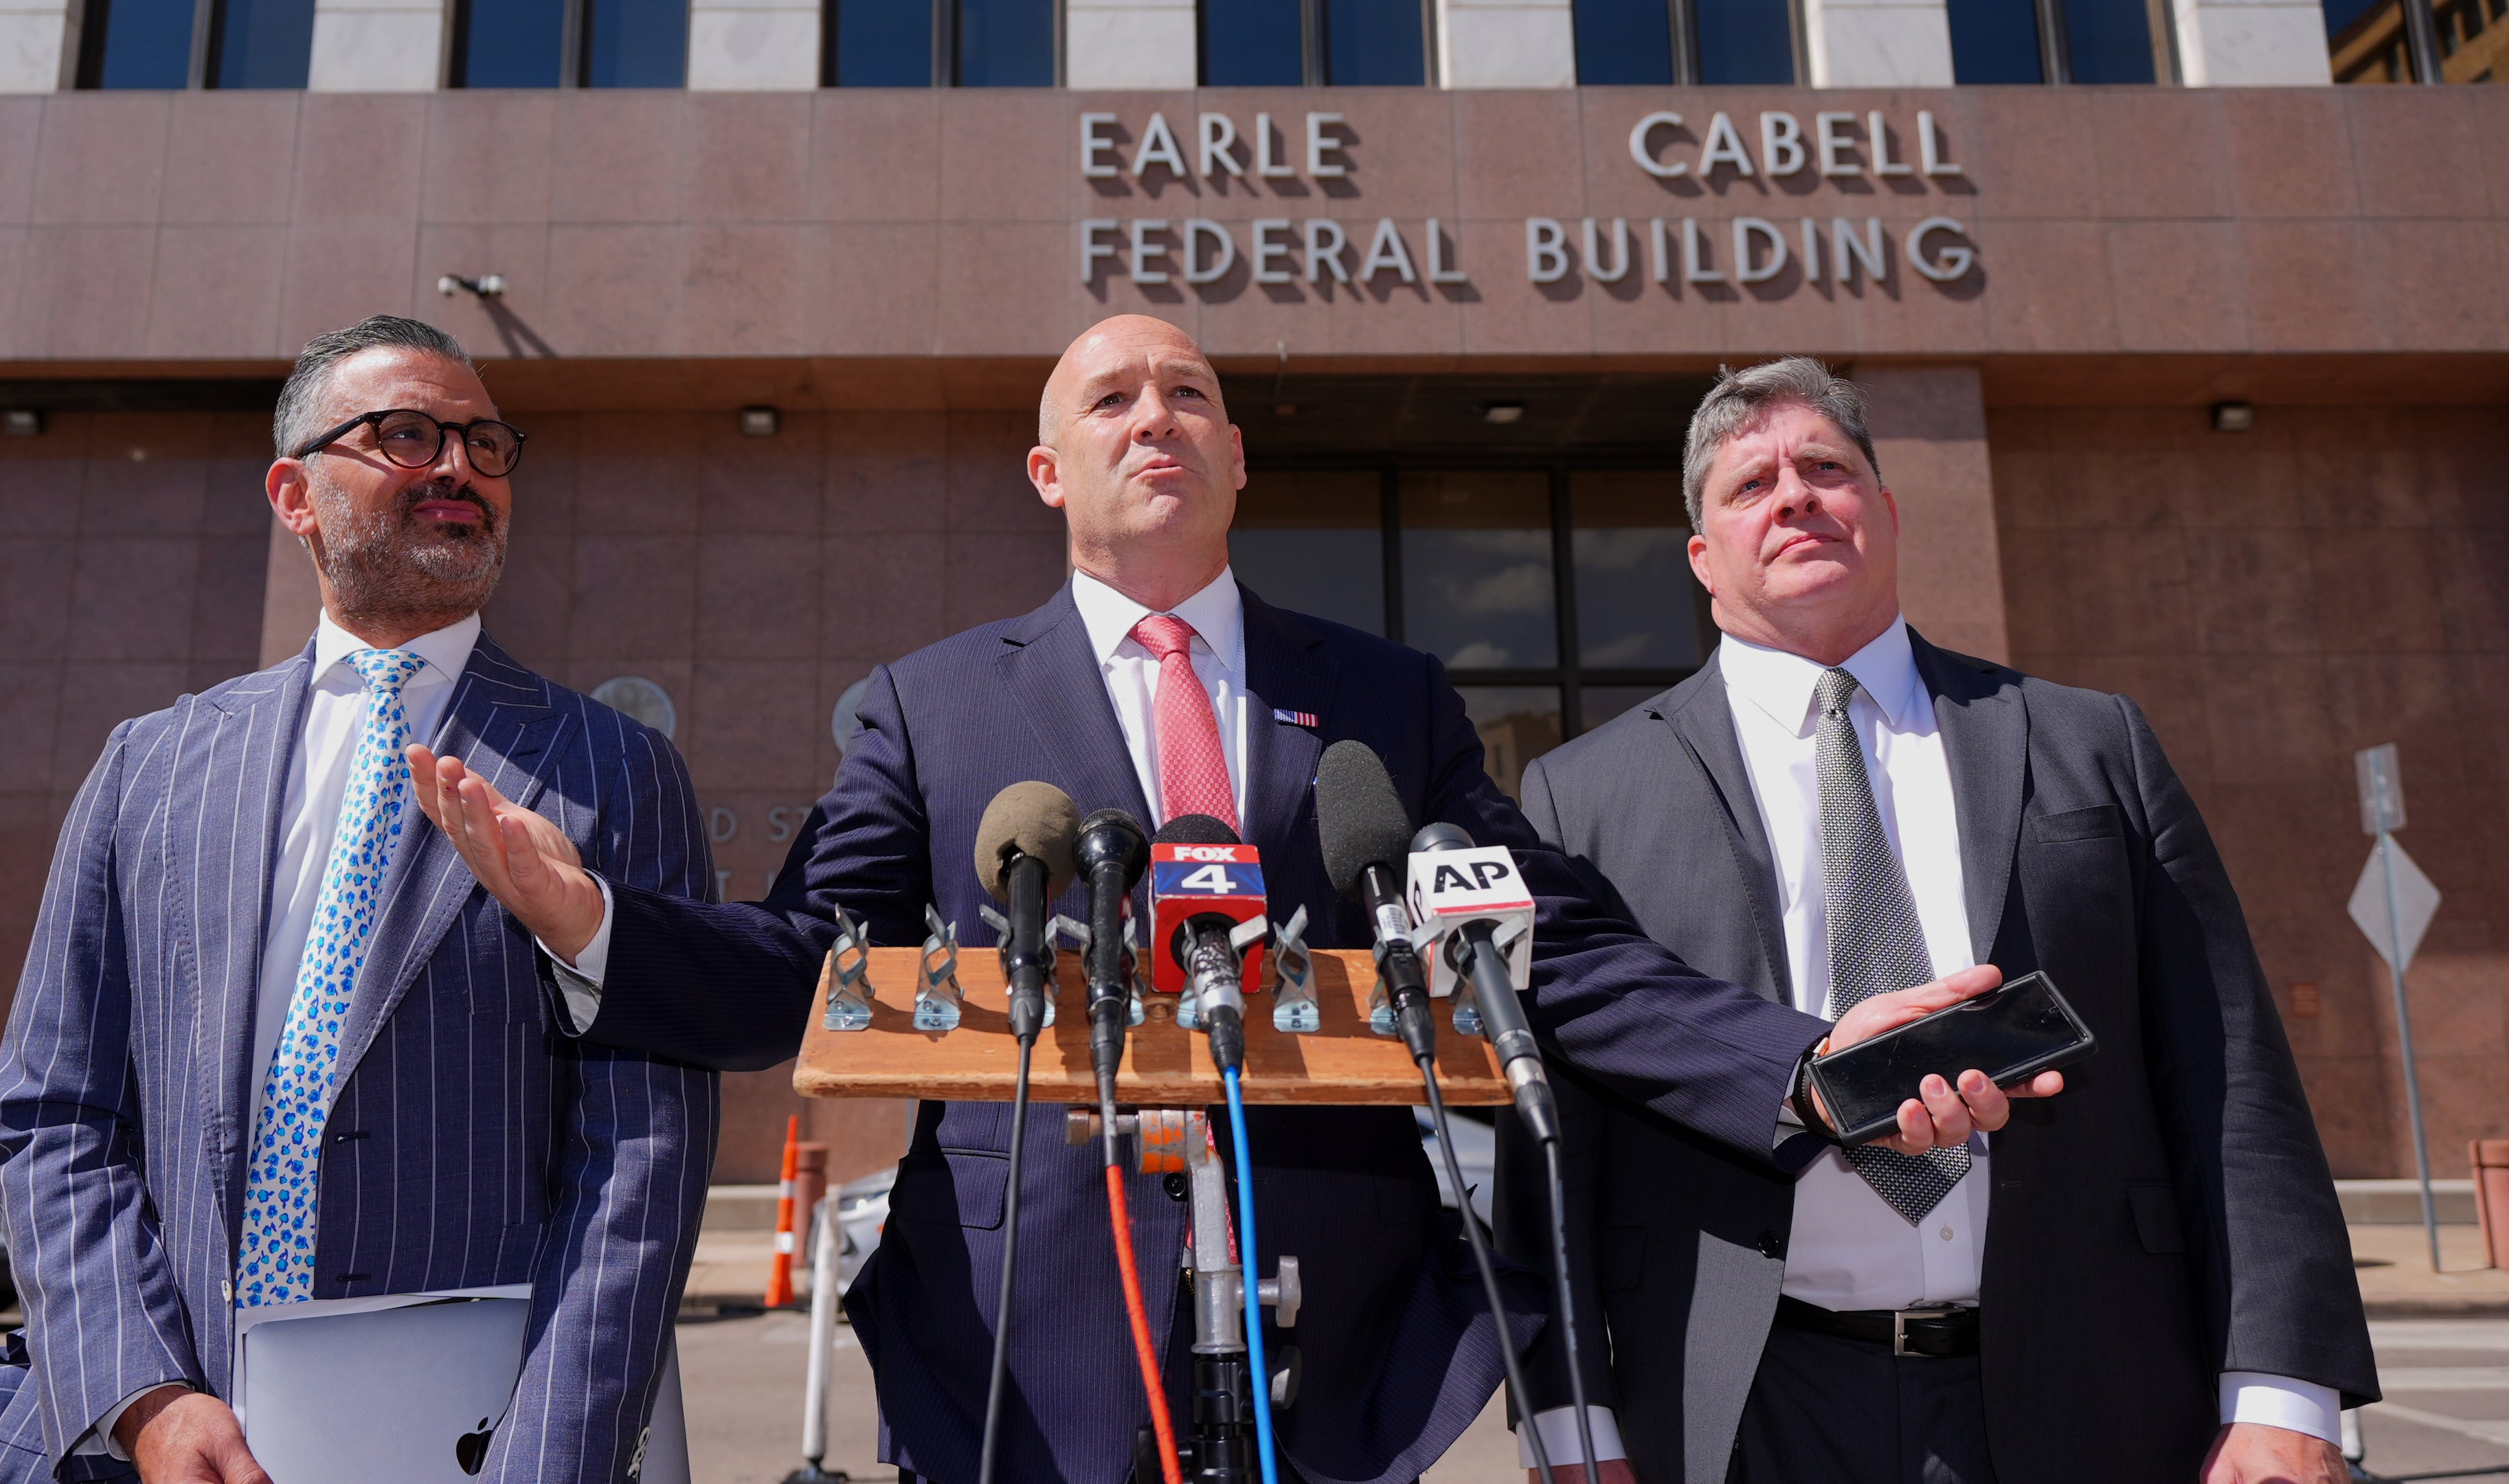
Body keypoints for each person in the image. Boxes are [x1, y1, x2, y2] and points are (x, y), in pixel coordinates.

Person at [405, 316, 2019, 1484]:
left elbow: (1557, 944)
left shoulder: (1383, 696)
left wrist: (1807, 1066)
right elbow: (802, 967)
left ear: (1240, 455)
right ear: (1050, 469)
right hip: (1017, 1347)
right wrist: (595, 923)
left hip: (1352, 1338)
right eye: (1112, 396)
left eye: (1191, 392)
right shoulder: (932, 705)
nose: (1155, 416)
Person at [1495, 357, 2378, 1484]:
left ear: (1888, 512)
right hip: (1744, 1404)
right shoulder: (1584, 795)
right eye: (1751, 484)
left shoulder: (2088, 740)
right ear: (1701, 557)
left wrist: (2283, 1391)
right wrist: (1571, 1426)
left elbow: (2232, 1066)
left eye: (1828, 468)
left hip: (2091, 1388)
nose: (1797, 496)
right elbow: (1550, 1133)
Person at [0, 315, 721, 1484]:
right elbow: (53, 1111)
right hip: (166, 1436)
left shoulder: (613, 772)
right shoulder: (152, 766)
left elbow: (643, 1155)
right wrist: (144, 1397)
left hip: (467, 1440)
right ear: (295, 493)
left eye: (484, 443)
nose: (459, 467)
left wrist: (547, 1460)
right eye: (407, 435)